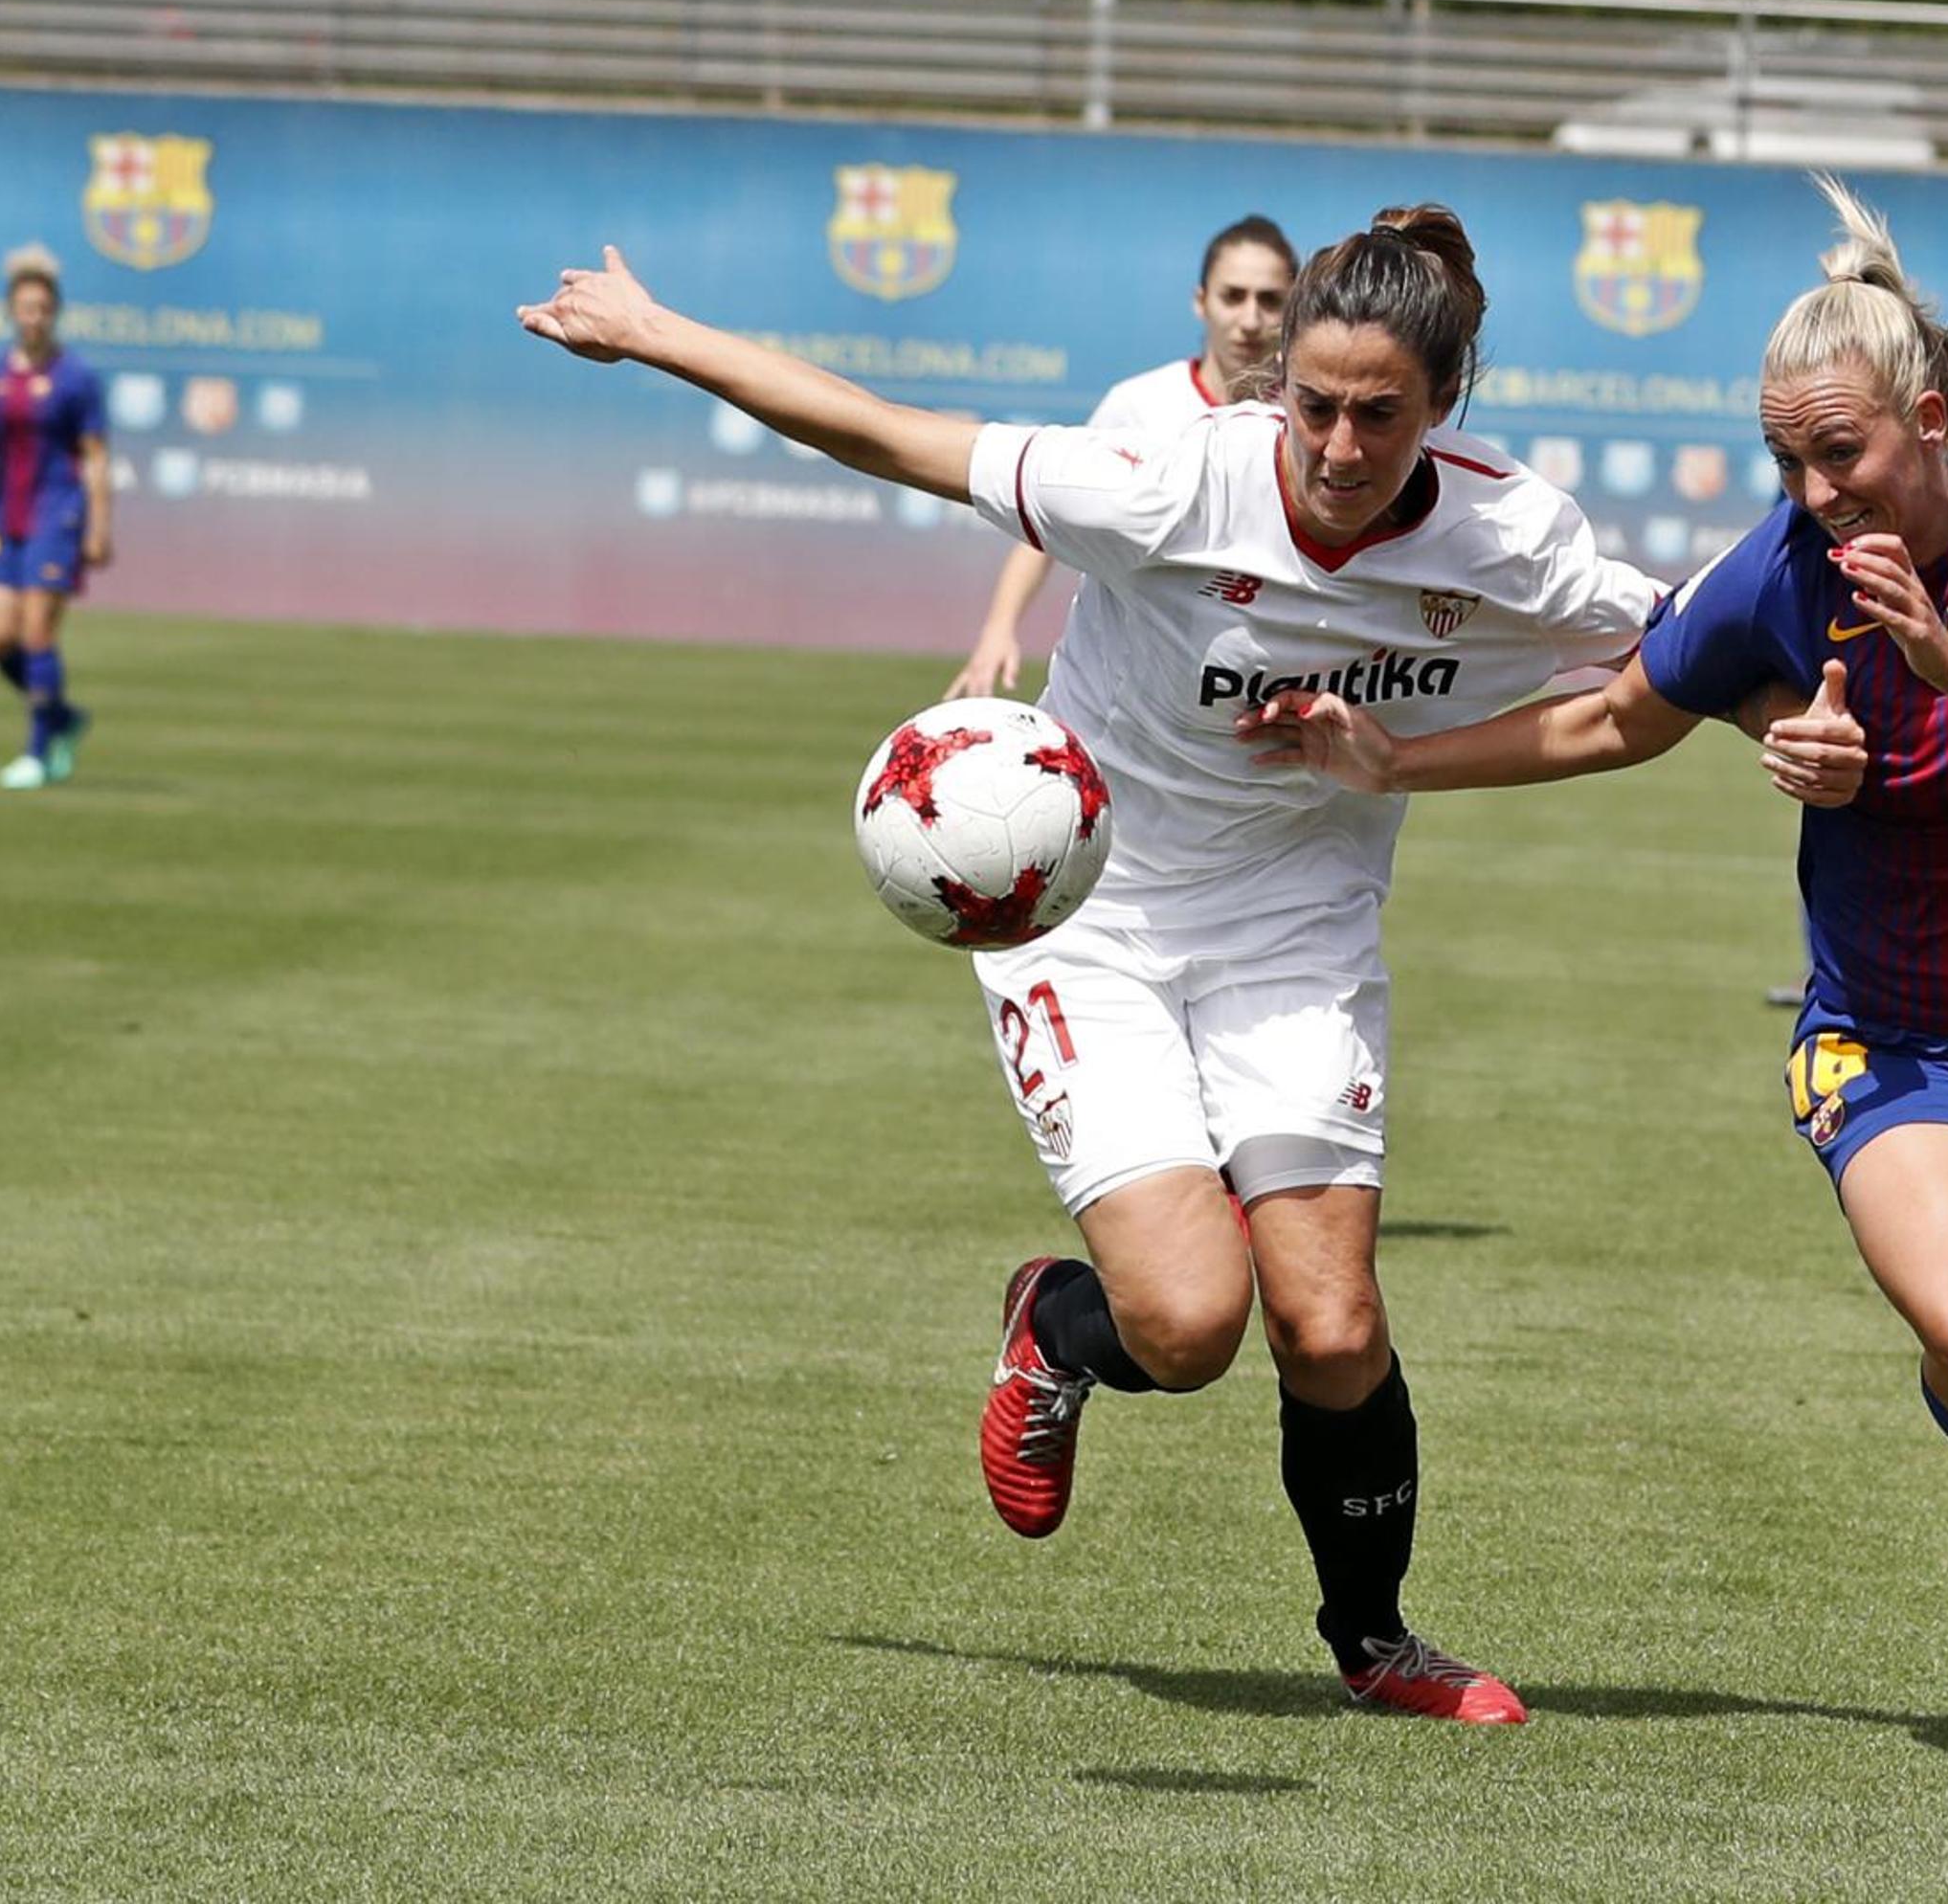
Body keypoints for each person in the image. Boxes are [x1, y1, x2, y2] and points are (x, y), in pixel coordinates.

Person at [522, 209, 1822, 1726]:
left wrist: (1778, 722)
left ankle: (1377, 1642)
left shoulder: (1508, 532)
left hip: (1297, 930)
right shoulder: (1165, 480)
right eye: (1315, 405)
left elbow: (1679, 648)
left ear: (1446, 403)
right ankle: (1059, 1324)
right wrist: (655, 332)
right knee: (1189, 1326)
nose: (1338, 444)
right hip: (1096, 920)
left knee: (1330, 1323)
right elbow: (888, 433)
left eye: (1379, 415)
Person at [1245, 176, 1948, 1749]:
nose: (1817, 490)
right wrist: (1391, 762)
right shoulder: (1778, 571)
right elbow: (1620, 713)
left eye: (1845, 452)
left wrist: (1947, 662)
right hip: (1896, 1040)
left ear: (1935, 418)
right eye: (1790, 459)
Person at [946, 215, 1296, 699]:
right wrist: (997, 630)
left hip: (1260, 683)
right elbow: (1047, 511)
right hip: (1133, 689)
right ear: (1201, 302)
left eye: (1270, 300)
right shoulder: (1139, 405)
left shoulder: (1311, 421)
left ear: (1296, 306)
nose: (1251, 319)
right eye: (1233, 296)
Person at [0, 246, 109, 792]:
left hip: (57, 514)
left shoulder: (77, 377)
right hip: (2, 517)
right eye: (25, 308)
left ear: (55, 312)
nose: (34, 317)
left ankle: (37, 750)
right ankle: (63, 718)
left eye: (43, 308)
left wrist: (99, 527)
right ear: (11, 311)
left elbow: (96, 457)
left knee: (37, 634)